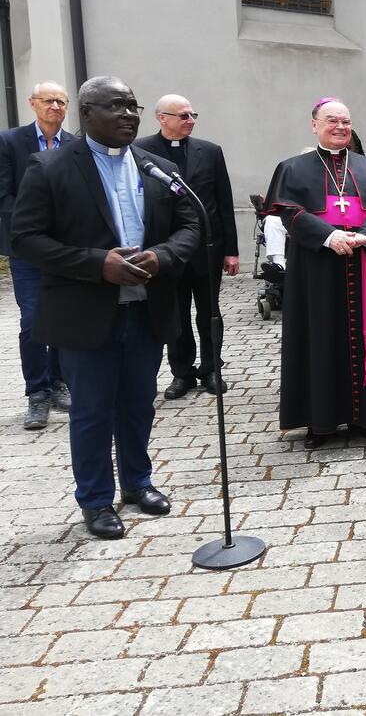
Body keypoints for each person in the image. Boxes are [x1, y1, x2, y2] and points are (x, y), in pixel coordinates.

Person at [11, 76, 200, 539]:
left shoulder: (156, 168)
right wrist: (98, 265)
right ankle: (95, 500)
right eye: (116, 106)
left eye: (133, 106)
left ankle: (137, 483)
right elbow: (26, 240)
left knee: (138, 405)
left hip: (145, 311)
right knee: (92, 411)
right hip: (86, 315)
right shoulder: (50, 168)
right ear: (87, 113)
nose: (129, 114)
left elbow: (191, 223)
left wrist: (164, 256)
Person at [263, 98, 366, 448]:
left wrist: (365, 234)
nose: (340, 127)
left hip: (363, 261)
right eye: (332, 121)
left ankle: (365, 417)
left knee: (365, 335)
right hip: (317, 268)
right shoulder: (292, 168)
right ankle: (321, 422)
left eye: (345, 121)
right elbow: (287, 213)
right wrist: (328, 236)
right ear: (314, 124)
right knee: (320, 336)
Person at [136, 95, 239, 399]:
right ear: (161, 118)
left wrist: (231, 250)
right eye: (182, 116)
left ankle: (211, 369)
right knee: (176, 313)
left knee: (210, 312)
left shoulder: (210, 151)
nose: (190, 120)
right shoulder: (142, 151)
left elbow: (223, 201)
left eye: (193, 114)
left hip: (208, 246)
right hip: (167, 250)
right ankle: (182, 372)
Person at [0, 81, 76, 429]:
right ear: (33, 104)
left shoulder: (74, 145)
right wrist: (34, 227)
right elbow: (4, 195)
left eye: (61, 101)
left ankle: (59, 382)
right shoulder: (10, 142)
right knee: (33, 319)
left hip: (63, 249)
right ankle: (37, 393)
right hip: (26, 247)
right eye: (48, 101)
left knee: (61, 315)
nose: (56, 107)